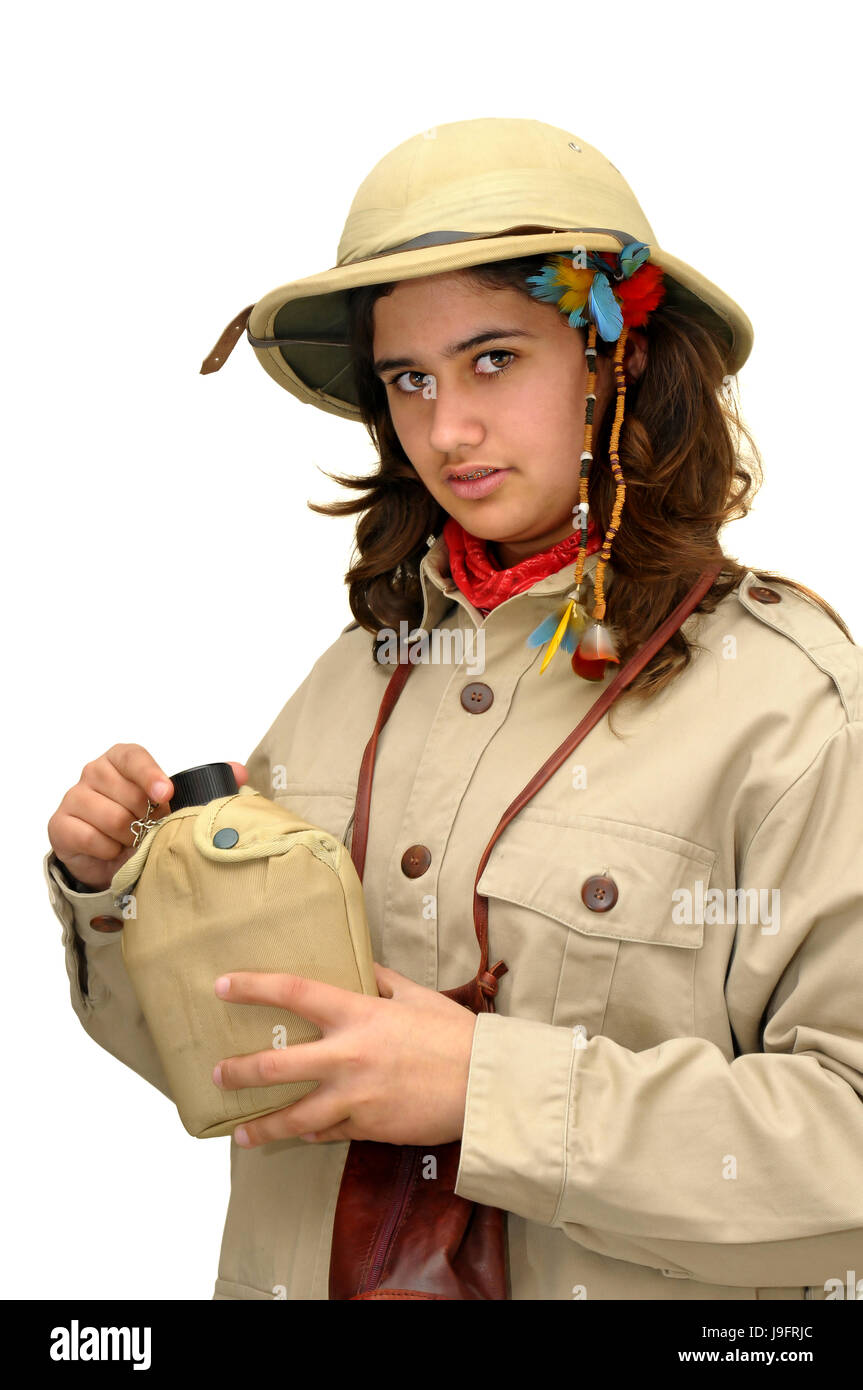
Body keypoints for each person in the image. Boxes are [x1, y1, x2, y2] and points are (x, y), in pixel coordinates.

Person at [44, 117, 863, 1301]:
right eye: (409, 379)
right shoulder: (349, 678)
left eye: (493, 359)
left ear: (614, 359)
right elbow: (232, 1060)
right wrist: (118, 894)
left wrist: (483, 1089)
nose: (445, 429)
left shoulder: (788, 702)